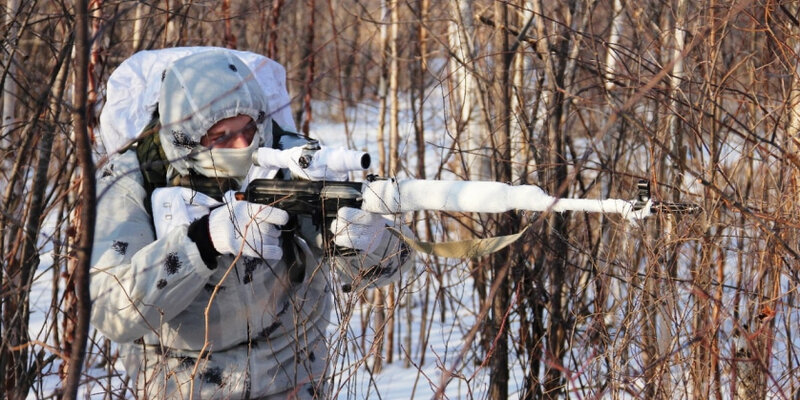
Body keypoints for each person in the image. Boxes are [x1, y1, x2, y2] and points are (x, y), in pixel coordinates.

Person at [90, 48, 415, 399]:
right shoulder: (131, 178)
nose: (244, 145)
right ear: (186, 136)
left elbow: (393, 263)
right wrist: (202, 242)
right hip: (183, 386)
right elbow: (113, 312)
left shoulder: (286, 155)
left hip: (293, 377)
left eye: (248, 128)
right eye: (222, 137)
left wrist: (369, 241)